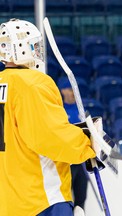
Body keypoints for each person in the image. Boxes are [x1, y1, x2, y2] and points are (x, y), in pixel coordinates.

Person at [0, 18, 96, 216]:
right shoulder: (32, 84)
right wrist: (89, 142)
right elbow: (50, 138)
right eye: (34, 45)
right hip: (40, 200)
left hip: (8, 203)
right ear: (22, 48)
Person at [58, 77, 89, 211]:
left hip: (81, 163)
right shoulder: (59, 110)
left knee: (81, 198)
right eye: (70, 90)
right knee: (66, 199)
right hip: (67, 162)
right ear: (63, 91)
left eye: (74, 90)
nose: (73, 93)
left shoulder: (81, 111)